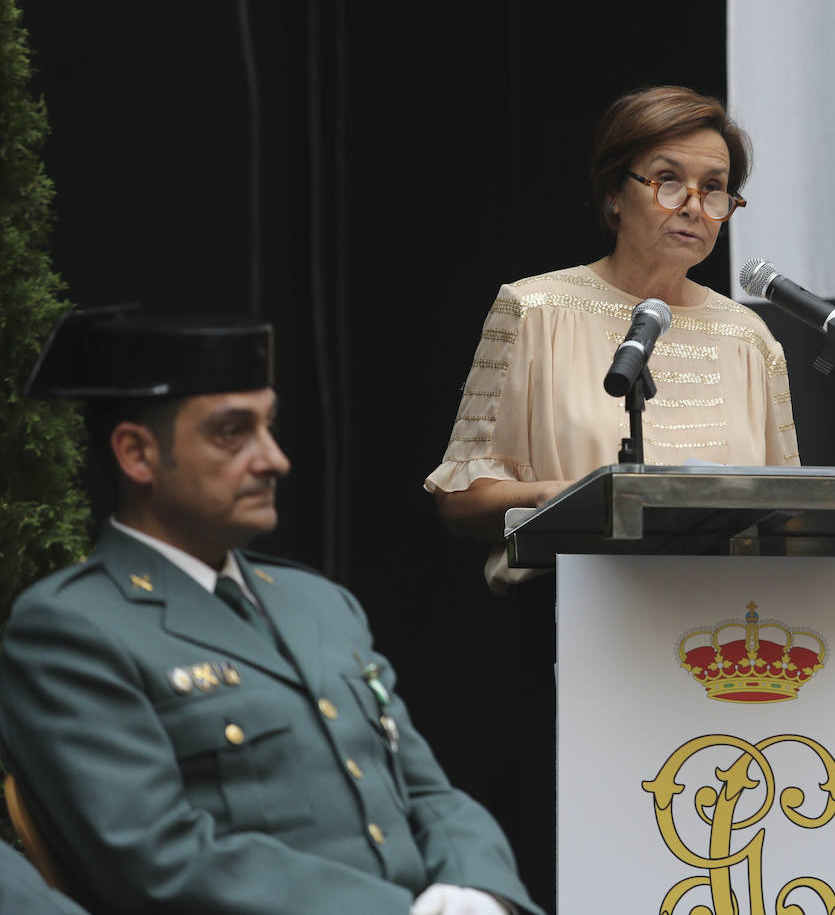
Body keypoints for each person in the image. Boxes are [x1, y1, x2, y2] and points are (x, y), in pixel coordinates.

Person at [0, 308, 542, 915]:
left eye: (269, 426)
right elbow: (160, 859)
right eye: (233, 433)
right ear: (137, 454)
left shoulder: (316, 602)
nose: (274, 459)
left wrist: (478, 890)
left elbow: (426, 791)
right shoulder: (73, 628)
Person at [422, 85, 802, 912]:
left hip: (721, 650)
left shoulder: (752, 339)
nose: (694, 206)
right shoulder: (535, 309)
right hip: (568, 631)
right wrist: (577, 495)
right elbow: (461, 493)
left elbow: (786, 506)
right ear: (611, 193)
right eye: (668, 179)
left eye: (716, 187)